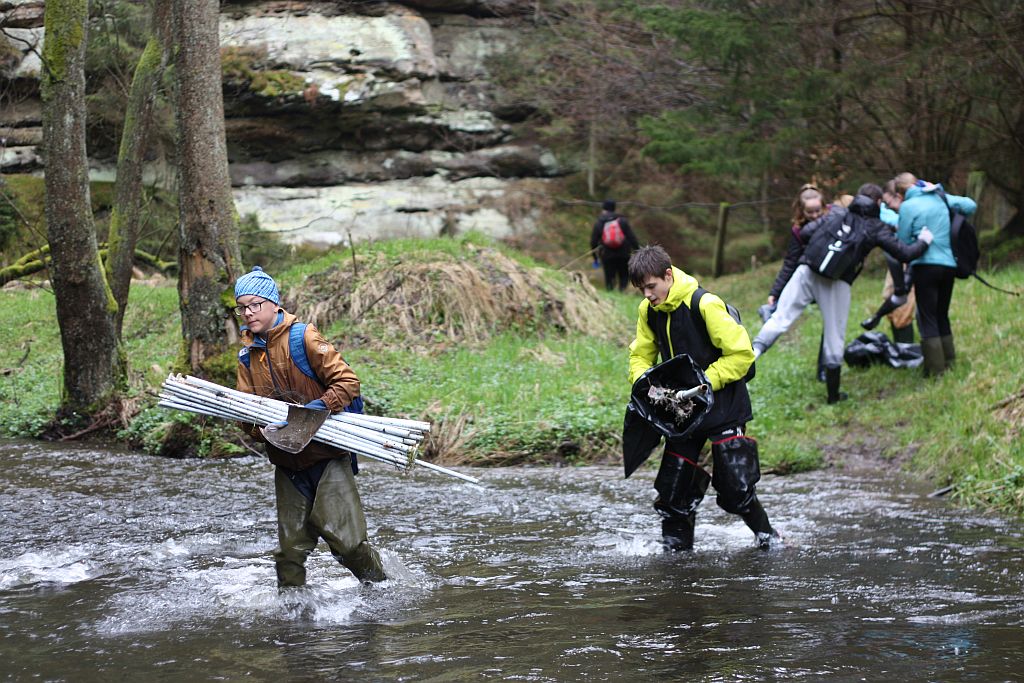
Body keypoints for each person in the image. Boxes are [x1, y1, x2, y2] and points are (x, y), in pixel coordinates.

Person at [234, 266, 386, 588]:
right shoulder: (247, 357)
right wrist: (260, 427)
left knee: (349, 546)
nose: (248, 313)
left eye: (254, 305)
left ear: (274, 304)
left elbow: (348, 382)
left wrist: (318, 409)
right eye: (242, 307)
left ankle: (382, 590)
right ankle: (292, 618)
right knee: (289, 554)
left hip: (326, 455)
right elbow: (245, 415)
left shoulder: (303, 337)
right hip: (286, 461)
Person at [627, 245, 779, 551]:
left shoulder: (706, 304)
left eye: (651, 286)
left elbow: (742, 355)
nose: (647, 294)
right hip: (681, 412)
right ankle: (676, 557)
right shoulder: (648, 311)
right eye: (641, 289)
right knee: (673, 490)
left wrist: (706, 380)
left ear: (668, 276)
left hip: (725, 406)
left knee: (736, 487)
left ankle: (769, 539)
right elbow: (640, 355)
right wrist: (645, 384)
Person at [752, 184, 933, 403]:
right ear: (877, 203)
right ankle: (833, 396)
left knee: (779, 318)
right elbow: (905, 253)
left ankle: (748, 359)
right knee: (834, 337)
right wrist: (924, 240)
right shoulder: (876, 227)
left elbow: (806, 232)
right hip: (837, 282)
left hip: (807, 269)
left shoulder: (837, 213)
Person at [892, 173, 977, 375]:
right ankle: (950, 362)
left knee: (928, 317)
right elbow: (970, 206)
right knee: (942, 315)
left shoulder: (907, 207)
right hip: (948, 265)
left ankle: (936, 371)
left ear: (901, 193)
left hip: (924, 266)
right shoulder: (939, 197)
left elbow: (902, 243)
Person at [764, 184, 832, 381]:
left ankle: (825, 368)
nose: (815, 215)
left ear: (824, 207)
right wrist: (775, 291)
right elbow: (790, 263)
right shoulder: (798, 231)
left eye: (818, 210)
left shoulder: (833, 220)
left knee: (831, 324)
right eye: (810, 212)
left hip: (832, 281)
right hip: (809, 281)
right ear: (801, 211)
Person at [860, 180, 916, 343]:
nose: (888, 206)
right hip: (895, 263)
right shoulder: (881, 212)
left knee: (902, 311)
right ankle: (900, 349)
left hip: (908, 262)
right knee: (891, 305)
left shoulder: (909, 212)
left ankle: (905, 351)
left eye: (890, 202)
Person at [590, 199, 640, 291]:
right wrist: (638, 252)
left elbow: (593, 241)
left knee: (609, 277)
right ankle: (622, 292)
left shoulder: (599, 222)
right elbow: (632, 238)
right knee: (624, 275)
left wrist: (595, 258)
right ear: (614, 208)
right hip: (623, 253)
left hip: (607, 254)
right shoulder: (622, 221)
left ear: (603, 208)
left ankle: (610, 294)